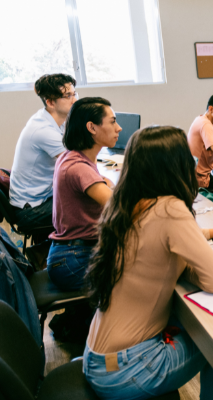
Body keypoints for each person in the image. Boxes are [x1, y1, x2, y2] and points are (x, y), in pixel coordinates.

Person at [84, 126, 213, 400]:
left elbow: (156, 246)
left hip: (98, 359)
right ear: (175, 165)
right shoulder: (170, 208)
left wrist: (198, 242)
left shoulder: (124, 202)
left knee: (189, 322)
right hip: (127, 370)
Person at [47, 97, 118, 291]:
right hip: (74, 261)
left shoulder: (72, 156)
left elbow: (106, 183)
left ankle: (78, 318)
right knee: (145, 276)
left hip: (69, 254)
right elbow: (120, 206)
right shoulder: (79, 167)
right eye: (112, 122)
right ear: (92, 127)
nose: (118, 128)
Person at [9, 73, 77, 241]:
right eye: (68, 96)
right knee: (91, 207)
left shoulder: (49, 120)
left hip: (41, 198)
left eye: (75, 94)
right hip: (31, 212)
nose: (74, 100)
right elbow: (76, 165)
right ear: (50, 102)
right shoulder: (44, 130)